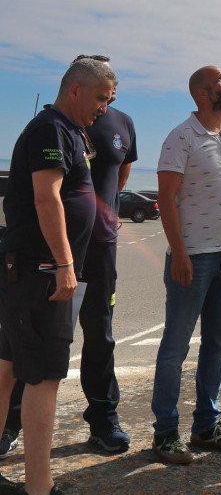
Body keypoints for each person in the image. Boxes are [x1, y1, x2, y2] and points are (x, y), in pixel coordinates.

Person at [0, 57, 116, 495]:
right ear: (75, 90)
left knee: (7, 367)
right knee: (43, 376)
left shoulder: (69, 130)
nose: (103, 109)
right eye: (101, 98)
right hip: (41, 272)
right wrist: (66, 266)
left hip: (30, 270)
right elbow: (47, 197)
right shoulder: (51, 129)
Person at [150, 66, 221, 465]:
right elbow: (166, 197)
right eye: (219, 82)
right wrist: (178, 252)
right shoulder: (181, 137)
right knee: (175, 347)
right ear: (200, 93)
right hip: (193, 257)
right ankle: (165, 433)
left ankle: (206, 426)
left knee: (217, 345)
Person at [73, 54, 138, 454]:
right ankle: (10, 422)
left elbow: (121, 171)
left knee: (100, 334)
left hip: (102, 247)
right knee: (33, 336)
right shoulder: (61, 124)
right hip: (54, 245)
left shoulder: (122, 122)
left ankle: (102, 418)